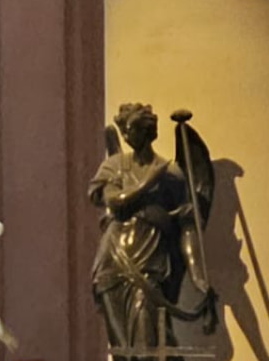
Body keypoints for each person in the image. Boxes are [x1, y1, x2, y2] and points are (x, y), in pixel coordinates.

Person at [89, 103, 213, 359]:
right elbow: (114, 200)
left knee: (148, 343)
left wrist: (200, 278)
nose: (125, 135)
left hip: (151, 263)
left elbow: (186, 229)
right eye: (123, 129)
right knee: (122, 349)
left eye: (131, 128)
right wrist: (148, 183)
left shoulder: (173, 175)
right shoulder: (115, 165)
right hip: (112, 262)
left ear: (147, 130)